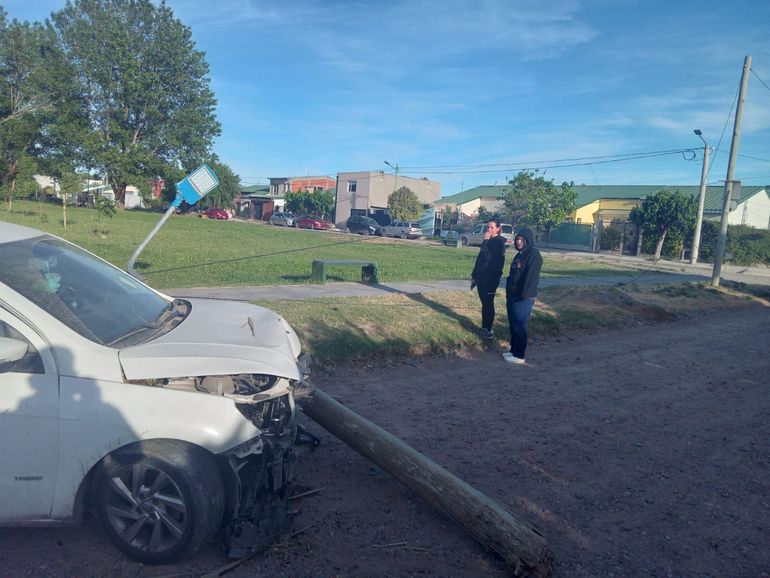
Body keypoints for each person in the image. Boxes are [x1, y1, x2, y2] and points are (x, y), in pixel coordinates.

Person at [504, 228, 542, 364]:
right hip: (513, 295)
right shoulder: (520, 254)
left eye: (522, 240)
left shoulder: (534, 254)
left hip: (524, 297)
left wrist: (525, 294)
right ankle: (513, 350)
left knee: (520, 325)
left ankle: (519, 355)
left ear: (528, 240)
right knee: (513, 324)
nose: (519, 242)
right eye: (517, 239)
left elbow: (531, 277)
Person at [470, 219, 506, 340]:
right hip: (481, 277)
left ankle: (488, 329)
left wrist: (485, 241)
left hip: (490, 279)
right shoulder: (488, 241)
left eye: (491, 227)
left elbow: (487, 257)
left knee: (488, 303)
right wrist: (474, 276)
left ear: (498, 229)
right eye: (488, 227)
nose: (489, 230)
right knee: (484, 304)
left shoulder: (499, 243)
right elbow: (480, 260)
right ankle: (484, 327)